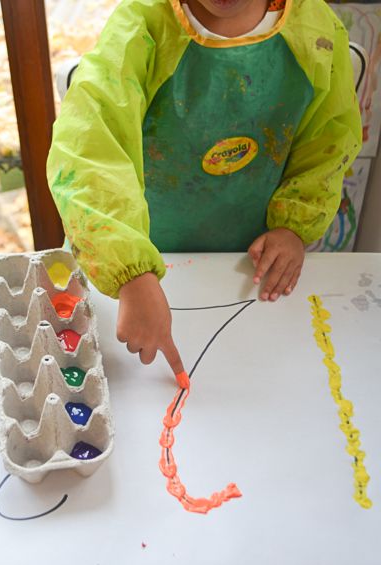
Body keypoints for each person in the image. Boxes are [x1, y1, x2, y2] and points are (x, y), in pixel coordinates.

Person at [47, 0, 362, 376]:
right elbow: (88, 148)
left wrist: (294, 226)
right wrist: (129, 272)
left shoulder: (316, 31)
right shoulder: (143, 24)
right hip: (132, 256)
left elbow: (329, 138)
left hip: (241, 267)